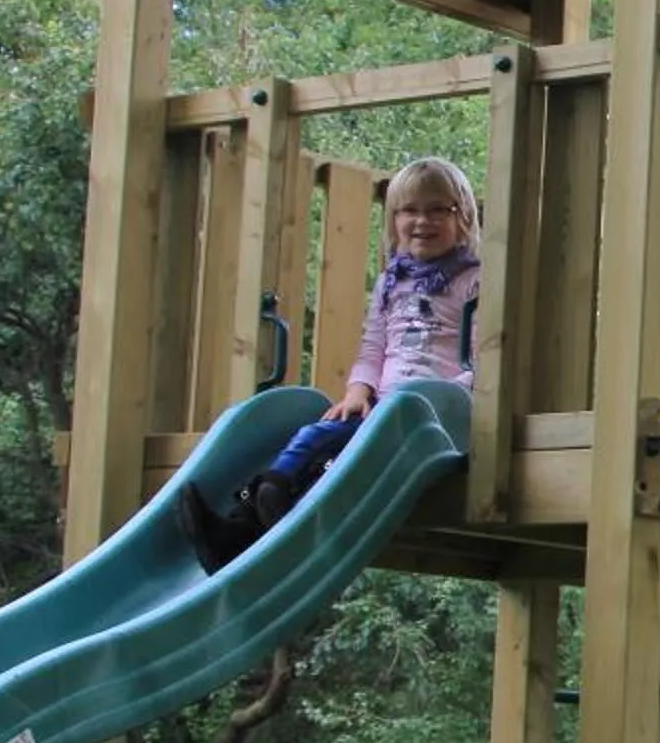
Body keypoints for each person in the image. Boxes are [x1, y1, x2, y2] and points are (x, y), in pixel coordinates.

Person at [175, 156, 481, 573]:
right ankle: (243, 523)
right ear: (394, 220)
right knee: (318, 438)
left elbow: (483, 353)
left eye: (436, 210)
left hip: (431, 418)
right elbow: (374, 346)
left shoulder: (474, 280)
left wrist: (455, 395)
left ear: (462, 216)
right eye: (409, 210)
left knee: (333, 450)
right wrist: (359, 388)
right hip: (383, 409)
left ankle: (273, 501)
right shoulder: (392, 281)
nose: (421, 221)